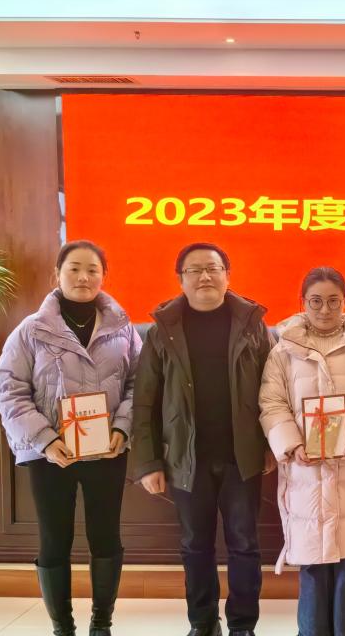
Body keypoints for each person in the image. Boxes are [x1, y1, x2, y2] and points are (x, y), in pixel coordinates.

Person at [0, 240, 140, 636]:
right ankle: (62, 627)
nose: (83, 277)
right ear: (57, 274)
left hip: (107, 451)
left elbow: (139, 384)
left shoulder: (123, 328)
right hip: (50, 455)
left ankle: (101, 623)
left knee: (106, 537)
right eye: (74, 268)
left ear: (104, 276)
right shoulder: (31, 330)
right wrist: (44, 440)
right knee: (54, 540)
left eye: (92, 269)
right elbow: (9, 390)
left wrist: (121, 428)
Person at [131, 242, 275, 636]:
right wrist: (148, 463)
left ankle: (243, 625)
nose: (204, 276)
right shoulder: (162, 331)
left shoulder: (253, 325)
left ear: (228, 275)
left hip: (241, 457)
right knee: (195, 545)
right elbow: (144, 401)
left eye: (213, 268)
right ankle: (203, 622)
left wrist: (269, 445)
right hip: (185, 459)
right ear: (181, 279)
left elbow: (274, 390)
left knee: (245, 544)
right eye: (194, 270)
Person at [259, 266, 345, 636]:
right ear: (302, 302)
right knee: (313, 564)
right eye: (316, 301)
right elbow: (272, 403)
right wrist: (292, 443)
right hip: (306, 472)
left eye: (334, 301)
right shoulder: (283, 351)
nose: (325, 309)